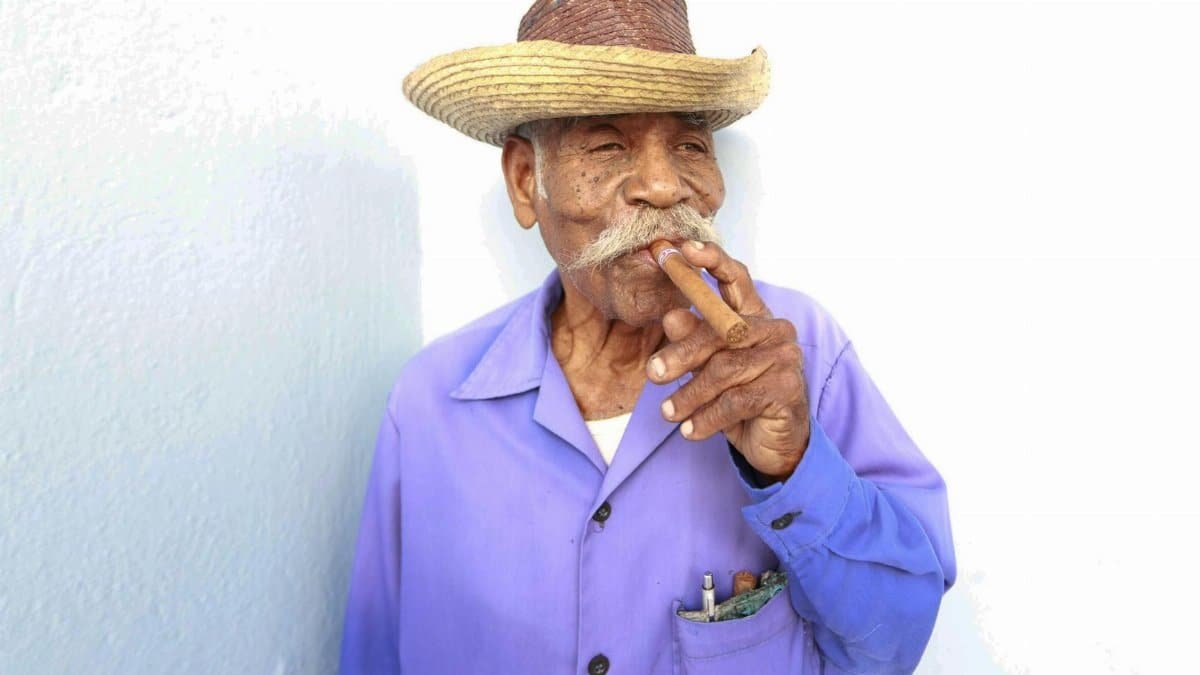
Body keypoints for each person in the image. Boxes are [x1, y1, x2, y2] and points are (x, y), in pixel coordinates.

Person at [340, 1, 955, 673]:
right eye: (607, 144)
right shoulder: (431, 404)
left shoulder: (798, 354)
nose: (665, 186)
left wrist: (795, 467)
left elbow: (897, 640)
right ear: (525, 180)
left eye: (690, 145)